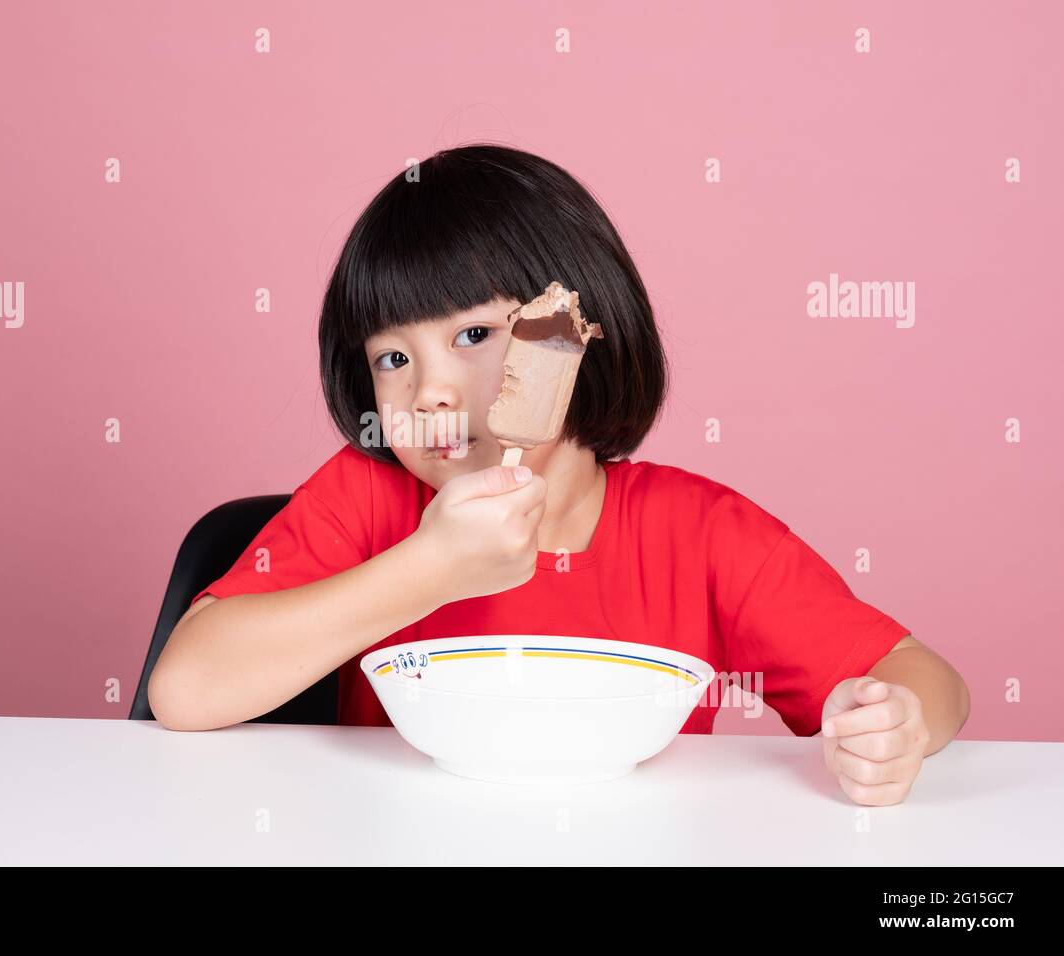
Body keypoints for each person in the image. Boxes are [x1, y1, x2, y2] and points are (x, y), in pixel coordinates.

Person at [149, 144, 969, 806]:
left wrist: (892, 725)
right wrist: (427, 570)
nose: (429, 389)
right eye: (393, 358)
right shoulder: (368, 500)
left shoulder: (700, 534)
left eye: (474, 336)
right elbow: (185, 690)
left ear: (572, 336)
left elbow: (925, 677)